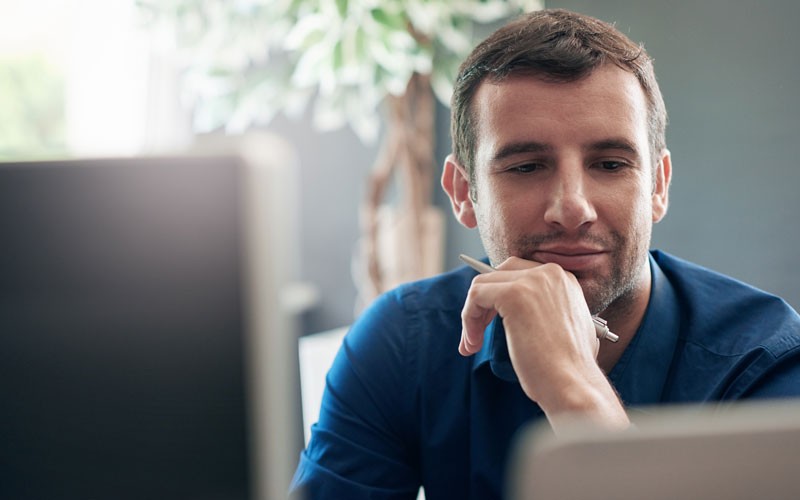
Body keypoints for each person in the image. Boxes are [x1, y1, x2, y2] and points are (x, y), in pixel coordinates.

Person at [290, 8, 800, 500]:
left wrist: (573, 385)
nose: (572, 209)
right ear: (464, 194)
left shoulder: (766, 360)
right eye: (527, 167)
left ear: (658, 187)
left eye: (609, 163)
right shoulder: (403, 340)